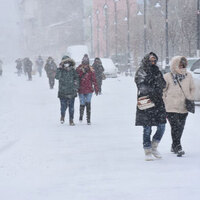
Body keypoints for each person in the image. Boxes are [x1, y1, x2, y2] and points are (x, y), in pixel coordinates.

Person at [135, 52, 166, 161]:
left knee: (162, 126)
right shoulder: (141, 71)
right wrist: (152, 87)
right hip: (147, 102)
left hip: (158, 102)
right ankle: (147, 149)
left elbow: (163, 84)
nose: (153, 63)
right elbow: (141, 86)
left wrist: (158, 86)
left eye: (154, 61)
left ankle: (154, 146)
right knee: (147, 127)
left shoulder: (157, 71)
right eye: (151, 60)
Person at [163, 56, 195, 157]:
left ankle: (174, 145)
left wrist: (190, 97)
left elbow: (192, 88)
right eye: (179, 64)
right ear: (174, 64)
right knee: (175, 126)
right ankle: (178, 146)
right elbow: (163, 91)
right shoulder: (167, 76)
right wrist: (165, 102)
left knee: (181, 127)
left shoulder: (188, 76)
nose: (181, 66)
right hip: (170, 106)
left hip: (184, 106)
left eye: (183, 64)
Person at [55, 55, 79, 125]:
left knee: (71, 108)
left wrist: (76, 86)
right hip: (62, 92)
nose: (66, 64)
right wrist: (59, 69)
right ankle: (62, 116)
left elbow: (76, 78)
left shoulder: (73, 70)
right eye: (65, 62)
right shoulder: (60, 70)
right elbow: (57, 77)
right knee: (63, 107)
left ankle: (71, 120)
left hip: (72, 92)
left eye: (67, 62)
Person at [76, 54, 99, 125]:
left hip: (89, 90)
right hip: (81, 90)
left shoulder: (91, 70)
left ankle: (88, 119)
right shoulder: (78, 69)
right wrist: (81, 72)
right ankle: (81, 116)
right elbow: (76, 78)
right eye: (84, 63)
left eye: (86, 64)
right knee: (82, 103)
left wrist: (96, 88)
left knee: (88, 103)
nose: (85, 65)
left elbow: (94, 80)